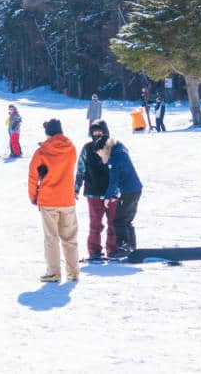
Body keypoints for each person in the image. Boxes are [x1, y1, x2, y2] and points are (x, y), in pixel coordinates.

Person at [28, 119, 79, 282]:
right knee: (70, 238)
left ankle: (54, 272)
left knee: (51, 237)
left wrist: (33, 196)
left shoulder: (42, 151)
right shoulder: (71, 148)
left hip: (49, 199)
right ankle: (73, 272)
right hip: (67, 198)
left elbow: (32, 176)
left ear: (48, 132)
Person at [75, 119, 117, 261]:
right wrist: (76, 188)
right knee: (95, 224)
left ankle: (112, 250)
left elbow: (120, 167)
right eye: (94, 132)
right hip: (93, 192)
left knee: (113, 223)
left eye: (99, 131)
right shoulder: (87, 148)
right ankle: (94, 251)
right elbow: (81, 168)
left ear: (105, 131)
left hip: (111, 193)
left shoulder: (112, 146)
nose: (97, 134)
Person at [99, 132, 143, 257]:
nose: (98, 155)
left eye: (99, 152)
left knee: (119, 220)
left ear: (104, 149)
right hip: (135, 189)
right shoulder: (120, 151)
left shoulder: (114, 159)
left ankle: (124, 247)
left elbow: (114, 181)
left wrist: (107, 197)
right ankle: (131, 247)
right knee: (127, 220)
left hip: (129, 191)